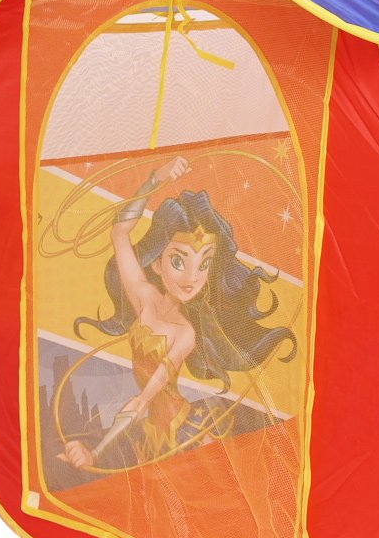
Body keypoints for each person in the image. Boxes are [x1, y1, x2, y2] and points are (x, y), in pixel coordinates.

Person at [61, 155, 297, 469]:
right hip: (151, 429)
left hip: (182, 430)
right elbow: (119, 232)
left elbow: (152, 387)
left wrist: (104, 444)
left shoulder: (185, 333)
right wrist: (155, 179)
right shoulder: (143, 296)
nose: (191, 277)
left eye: (204, 263)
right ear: (157, 264)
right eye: (178, 260)